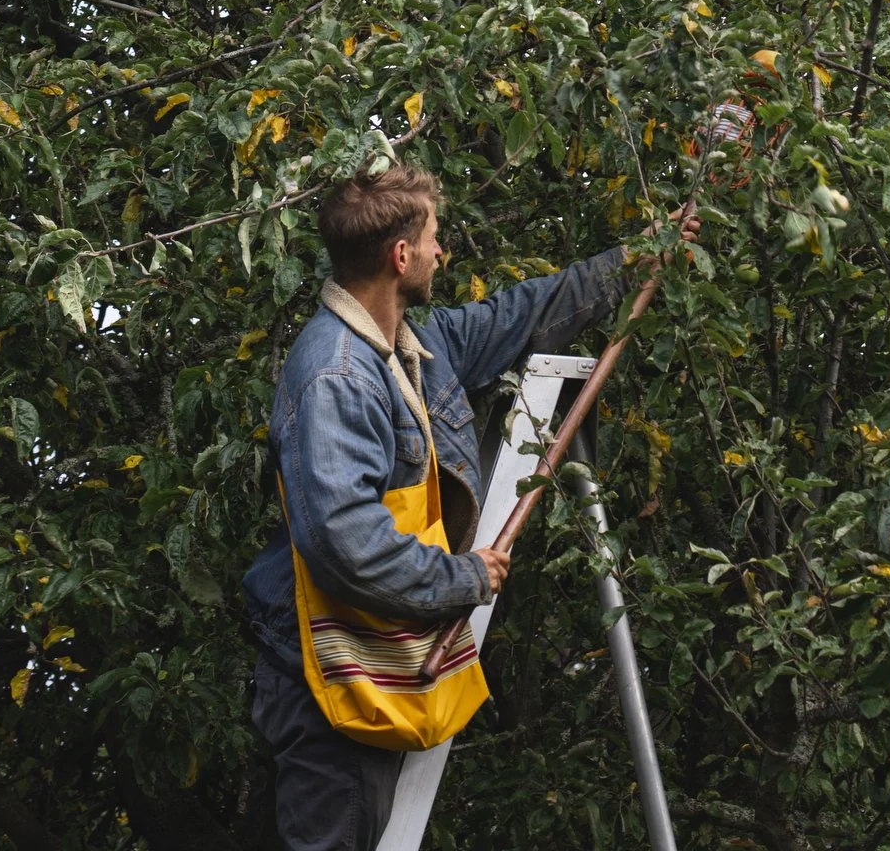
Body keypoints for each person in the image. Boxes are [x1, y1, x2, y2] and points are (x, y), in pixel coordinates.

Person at [242, 159, 697, 851]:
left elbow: (523, 314)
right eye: (432, 238)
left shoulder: (417, 347)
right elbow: (345, 543)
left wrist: (641, 255)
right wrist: (464, 578)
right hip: (327, 686)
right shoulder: (334, 375)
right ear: (401, 256)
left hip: (375, 663)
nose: (440, 251)